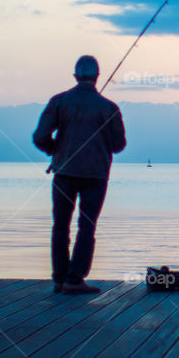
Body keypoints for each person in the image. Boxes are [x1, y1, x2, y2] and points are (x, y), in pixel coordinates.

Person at [32, 55, 126, 294]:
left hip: (64, 172)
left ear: (75, 76)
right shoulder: (109, 108)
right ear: (97, 77)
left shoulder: (59, 102)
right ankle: (75, 279)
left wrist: (56, 150)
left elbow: (40, 136)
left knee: (60, 225)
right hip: (95, 175)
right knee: (87, 226)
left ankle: (60, 279)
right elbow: (118, 145)